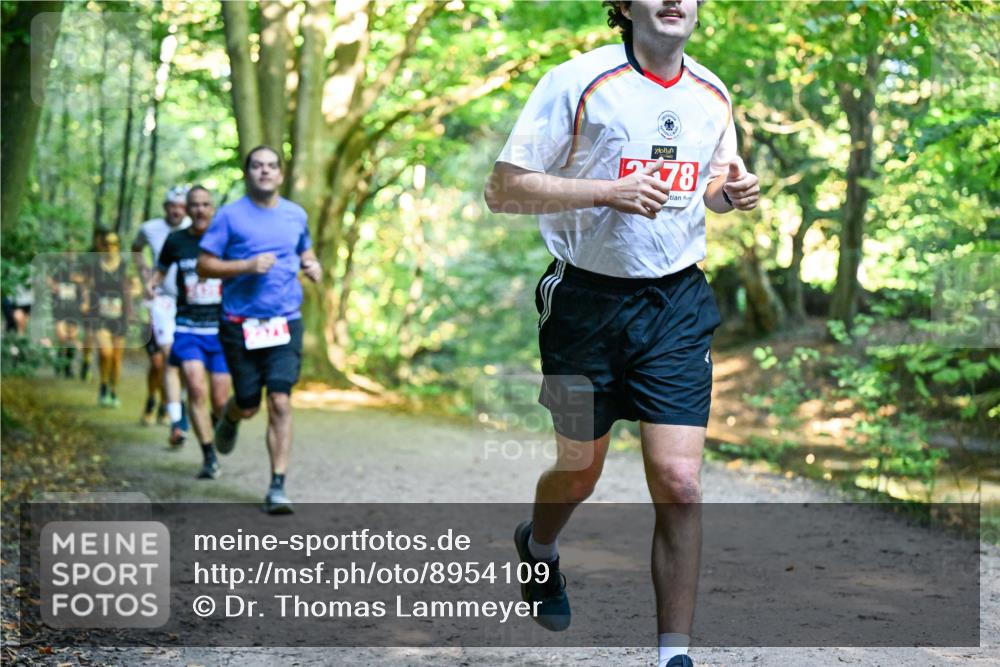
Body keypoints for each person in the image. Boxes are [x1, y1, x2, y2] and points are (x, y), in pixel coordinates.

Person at [484, 2, 760, 666]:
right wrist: (605, 192)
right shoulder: (577, 81)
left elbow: (714, 183)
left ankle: (673, 654)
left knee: (680, 480)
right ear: (625, 6)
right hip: (581, 302)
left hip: (675, 302)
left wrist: (735, 191)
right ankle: (539, 546)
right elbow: (503, 190)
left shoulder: (712, 92)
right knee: (578, 470)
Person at [197, 145, 322, 514]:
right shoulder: (229, 217)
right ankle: (232, 416)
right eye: (257, 166)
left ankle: (277, 485)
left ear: (281, 174)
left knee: (280, 401)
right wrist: (246, 265)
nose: (264, 172)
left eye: (271, 166)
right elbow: (204, 265)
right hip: (240, 324)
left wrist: (314, 267)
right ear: (247, 173)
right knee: (250, 403)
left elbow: (306, 252)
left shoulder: (295, 215)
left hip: (285, 322)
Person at [151, 186, 231, 479]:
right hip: (187, 326)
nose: (199, 210)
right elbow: (159, 272)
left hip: (220, 329)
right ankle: (209, 455)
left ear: (213, 208)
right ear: (187, 209)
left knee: (221, 401)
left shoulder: (226, 240)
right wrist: (151, 285)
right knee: (196, 388)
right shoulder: (176, 241)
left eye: (205, 204)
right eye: (193, 205)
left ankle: (213, 426)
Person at [133, 187, 191, 433]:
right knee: (160, 361)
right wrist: (145, 274)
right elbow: (136, 249)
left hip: (186, 303)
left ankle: (169, 406)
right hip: (160, 301)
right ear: (165, 207)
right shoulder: (150, 228)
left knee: (178, 360)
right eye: (172, 205)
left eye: (181, 206)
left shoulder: (195, 228)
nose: (177, 210)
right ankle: (152, 400)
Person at [92, 233, 133, 407]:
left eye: (114, 243)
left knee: (116, 358)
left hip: (119, 316)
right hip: (100, 315)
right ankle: (102, 384)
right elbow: (89, 286)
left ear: (118, 246)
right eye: (107, 243)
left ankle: (113, 390)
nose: (110, 247)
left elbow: (133, 287)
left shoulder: (125, 267)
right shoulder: (96, 266)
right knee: (105, 352)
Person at [48, 251, 84, 377]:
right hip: (60, 307)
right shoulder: (58, 268)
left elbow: (86, 285)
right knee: (62, 337)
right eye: (68, 252)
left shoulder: (79, 268)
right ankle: (59, 364)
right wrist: (54, 286)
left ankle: (69, 368)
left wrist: (80, 282)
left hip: (74, 308)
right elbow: (49, 281)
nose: (71, 254)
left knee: (72, 337)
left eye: (73, 252)